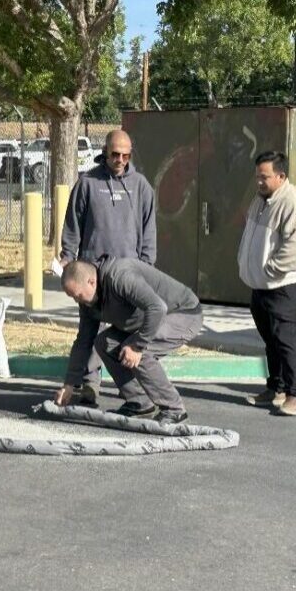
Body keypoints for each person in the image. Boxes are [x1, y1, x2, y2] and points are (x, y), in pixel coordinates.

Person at [59, 129, 157, 410]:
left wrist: (146, 267)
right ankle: (89, 384)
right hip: (93, 276)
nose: (120, 160)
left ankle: (135, 390)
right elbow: (73, 225)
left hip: (128, 276)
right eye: (115, 154)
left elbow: (149, 230)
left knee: (127, 334)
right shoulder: (88, 182)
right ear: (105, 151)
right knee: (89, 332)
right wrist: (68, 257)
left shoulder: (140, 186)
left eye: (126, 155)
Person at [55, 257, 202, 425]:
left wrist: (137, 345)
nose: (77, 301)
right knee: (104, 343)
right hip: (149, 319)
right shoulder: (87, 302)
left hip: (183, 313)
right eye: (73, 297)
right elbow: (84, 340)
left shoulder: (119, 276)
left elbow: (157, 308)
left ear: (91, 282)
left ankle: (174, 410)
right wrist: (69, 384)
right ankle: (140, 403)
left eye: (78, 295)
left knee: (141, 352)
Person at [237, 150, 296, 417]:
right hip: (261, 286)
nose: (259, 181)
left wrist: (270, 269)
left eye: (264, 177)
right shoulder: (261, 200)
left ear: (281, 176)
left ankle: (295, 395)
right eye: (257, 176)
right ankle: (276, 388)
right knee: (271, 340)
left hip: (282, 286)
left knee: (285, 340)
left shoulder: (292, 204)